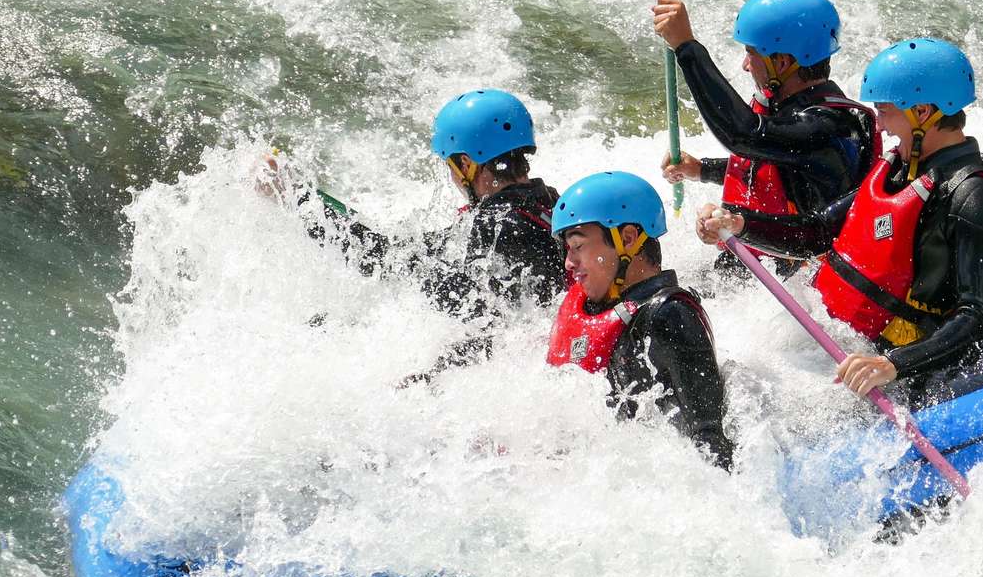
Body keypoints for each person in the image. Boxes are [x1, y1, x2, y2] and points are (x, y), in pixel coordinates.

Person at [697, 38, 983, 399]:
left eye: (885, 110)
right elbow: (818, 231)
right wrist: (740, 224)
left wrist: (894, 364)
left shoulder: (973, 196)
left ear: (923, 112)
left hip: (902, 362)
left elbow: (978, 313)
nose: (878, 124)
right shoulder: (899, 169)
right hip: (849, 339)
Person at [259, 89, 566, 375]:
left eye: (451, 166)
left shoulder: (497, 228)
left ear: (466, 163)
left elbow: (387, 260)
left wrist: (296, 198)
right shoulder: (550, 203)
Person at [652, 0, 876, 257]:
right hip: (773, 260)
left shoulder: (826, 127)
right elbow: (774, 168)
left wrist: (686, 47)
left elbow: (743, 135)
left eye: (751, 53)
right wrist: (701, 169)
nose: (746, 65)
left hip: (802, 276)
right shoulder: (798, 111)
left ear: (782, 63)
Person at [549, 171, 734, 469]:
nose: (569, 263)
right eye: (568, 250)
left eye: (579, 246)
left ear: (628, 238)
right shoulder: (614, 311)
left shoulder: (670, 315)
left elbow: (712, 448)